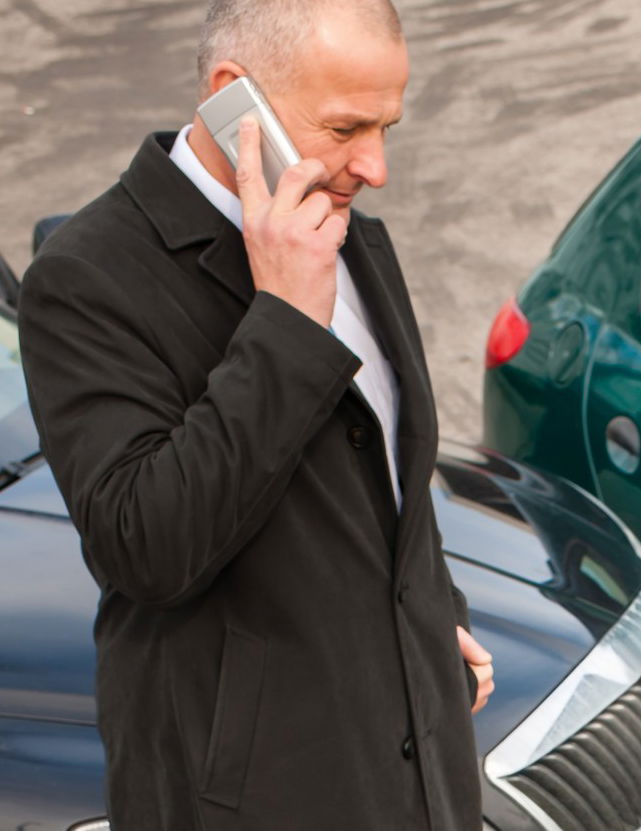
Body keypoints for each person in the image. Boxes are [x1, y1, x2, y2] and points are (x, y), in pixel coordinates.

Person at [18, 1, 493, 827]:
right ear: (234, 95)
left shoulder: (352, 234)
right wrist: (285, 322)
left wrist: (425, 618)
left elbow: (383, 477)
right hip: (254, 797)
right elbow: (146, 546)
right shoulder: (86, 278)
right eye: (347, 128)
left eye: (387, 126)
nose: (375, 165)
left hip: (416, 770)